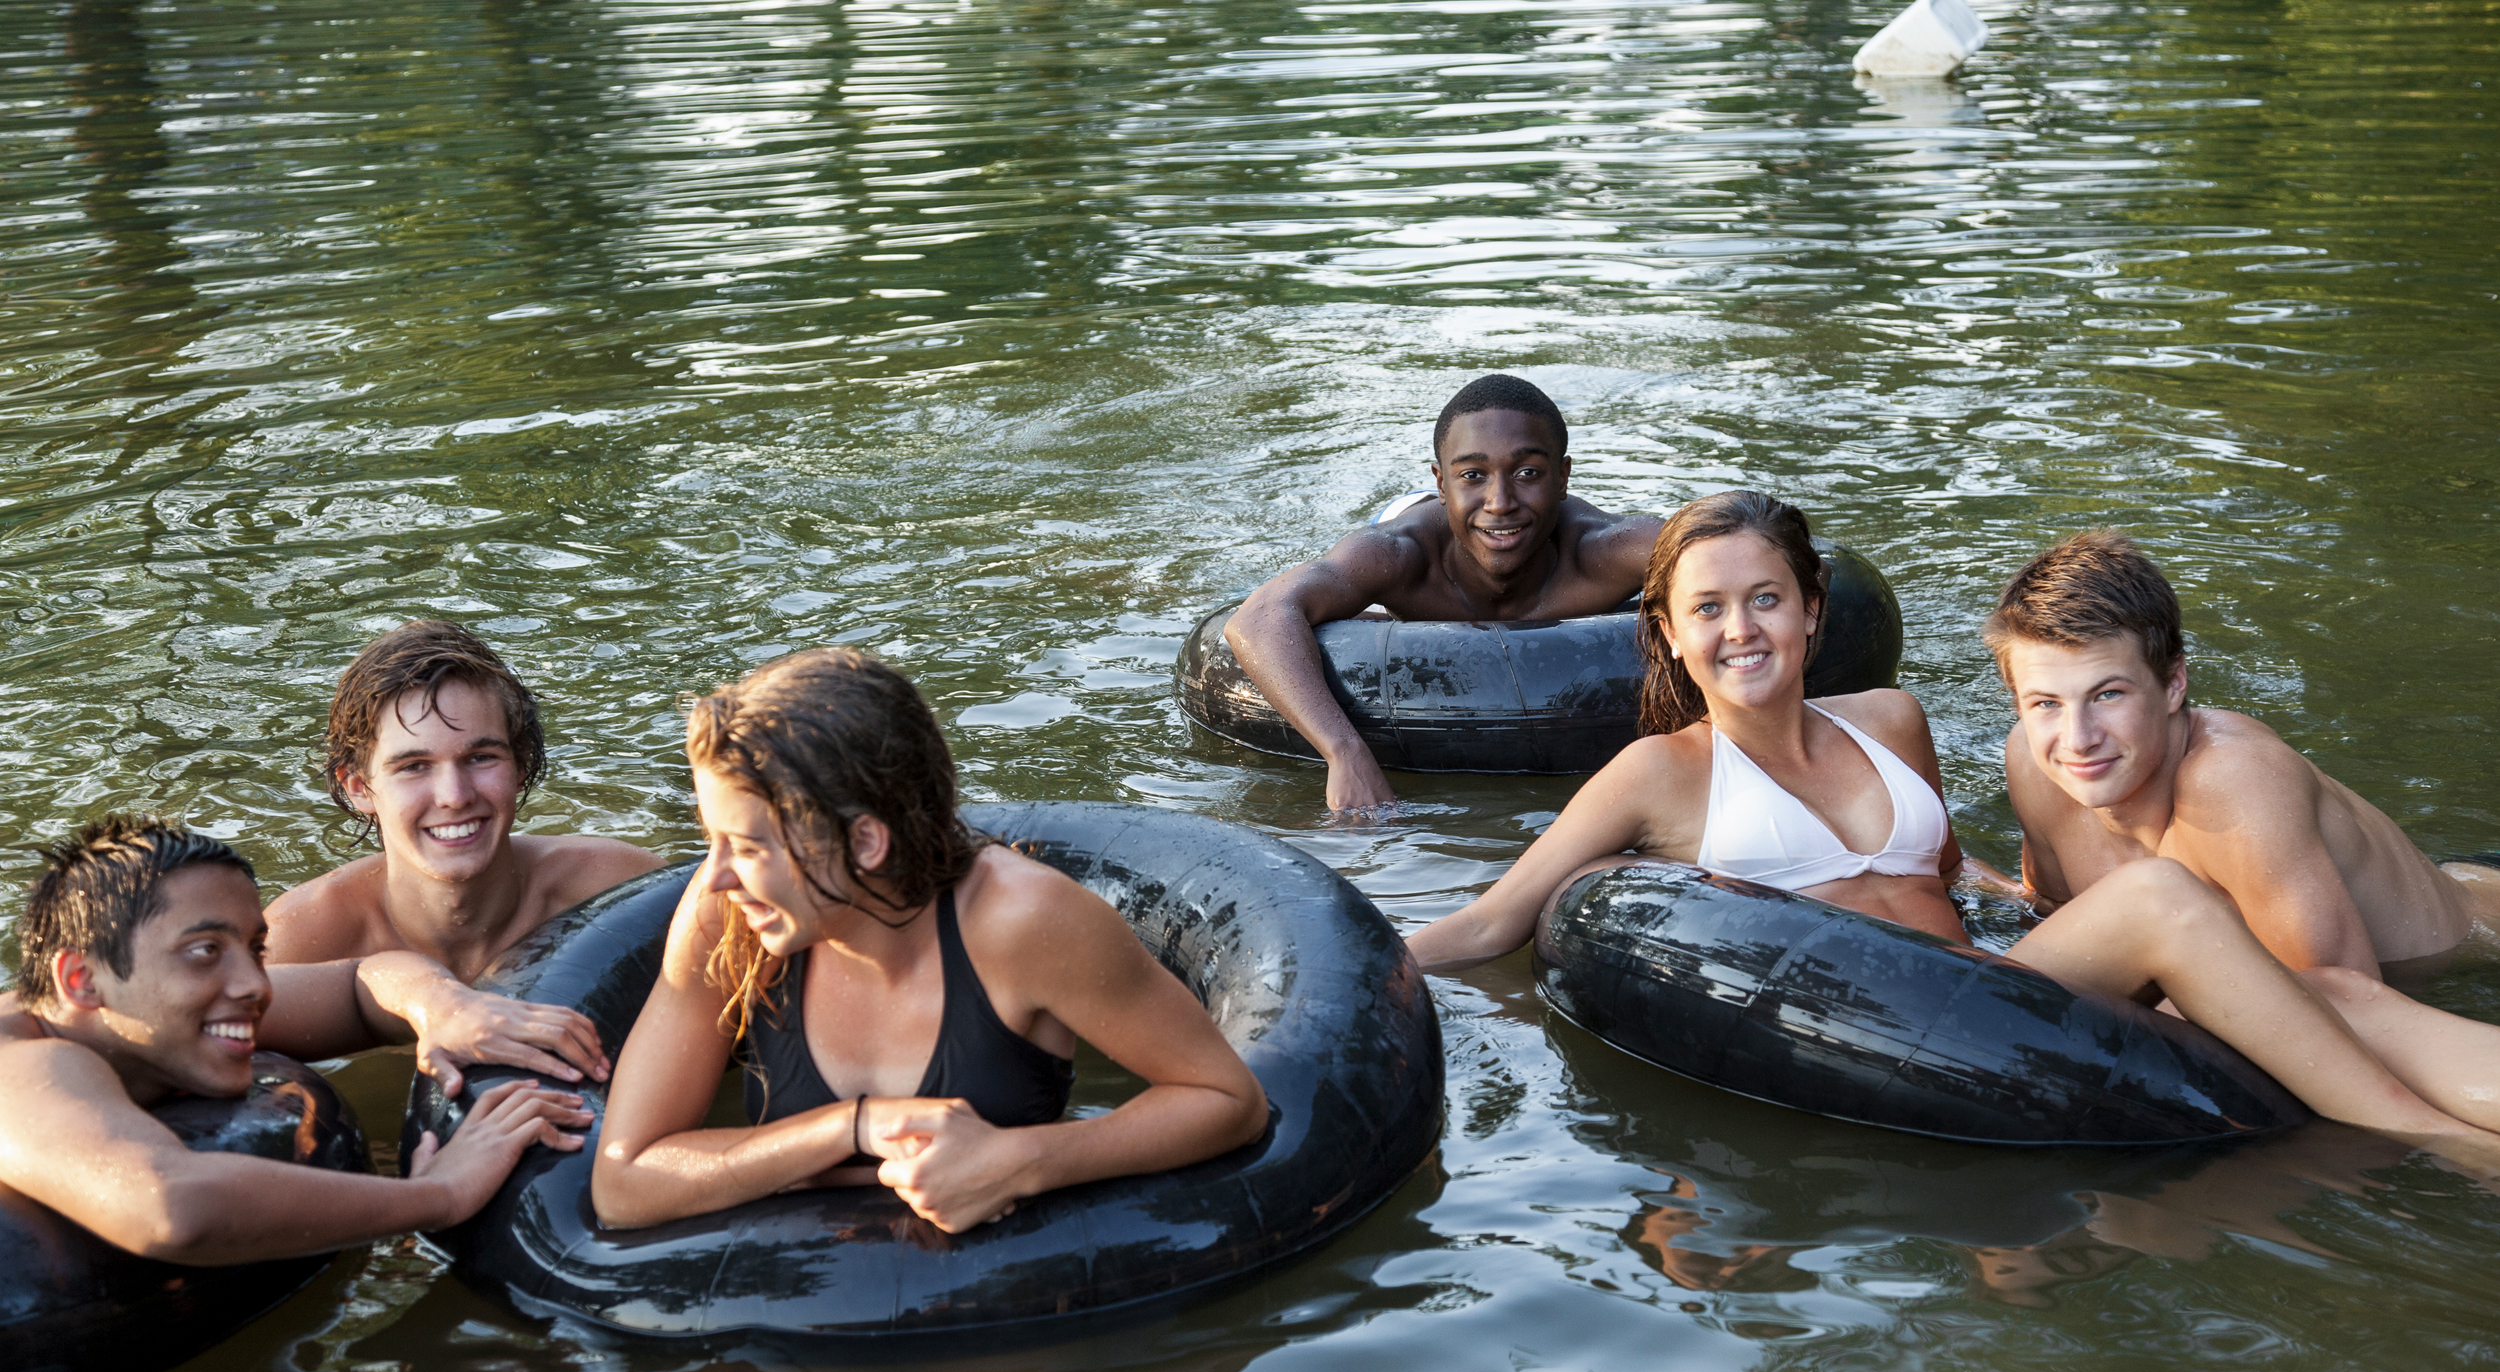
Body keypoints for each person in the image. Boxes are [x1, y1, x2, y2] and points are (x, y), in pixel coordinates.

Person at [1405, 490, 2500, 1150]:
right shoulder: (1657, 772)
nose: (1741, 628)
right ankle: (2435, 1139)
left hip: (1995, 986)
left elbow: (1943, 865)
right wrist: (1372, 965)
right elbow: (1495, 916)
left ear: (1813, 608)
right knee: (2167, 895)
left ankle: (2441, 1089)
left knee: (2188, 911)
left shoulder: (1890, 716)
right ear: (1671, 634)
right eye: (1708, 607)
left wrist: (1995, 884)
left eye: (1767, 598)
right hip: (1898, 1018)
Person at [591, 648, 1269, 1235]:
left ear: (863, 840)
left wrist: (1025, 1161)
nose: (714, 876)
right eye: (712, 839)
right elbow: (622, 1185)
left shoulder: (1024, 921)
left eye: (744, 846)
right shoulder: (726, 918)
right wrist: (854, 1127)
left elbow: (1228, 1101)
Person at [1986, 529, 2500, 1129]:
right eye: (2045, 702)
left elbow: (2342, 1004)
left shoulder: (2231, 778)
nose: (2077, 738)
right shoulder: (2033, 761)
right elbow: (2053, 910)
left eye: (2108, 694)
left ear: (2174, 684)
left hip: (2470, 938)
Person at [0, 817, 590, 1266]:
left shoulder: (145, 1015)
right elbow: (168, 1208)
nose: (255, 984)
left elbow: (359, 981)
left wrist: (445, 1006)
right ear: (81, 980)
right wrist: (442, 1192)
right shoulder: (23, 1062)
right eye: (206, 951)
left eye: (254, 948)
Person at [1224, 374, 1663, 810]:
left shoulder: (1604, 551)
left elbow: (1723, 554)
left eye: (1528, 472)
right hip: (1422, 530)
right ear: (1440, 482)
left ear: (1563, 477)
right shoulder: (1400, 556)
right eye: (1473, 474)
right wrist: (1345, 753)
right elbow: (1258, 617)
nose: (1500, 500)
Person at [267, 620, 665, 1090]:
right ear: (359, 788)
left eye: (481, 757)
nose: (454, 796)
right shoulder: (299, 941)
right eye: (414, 767)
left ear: (519, 764)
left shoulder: (614, 891)